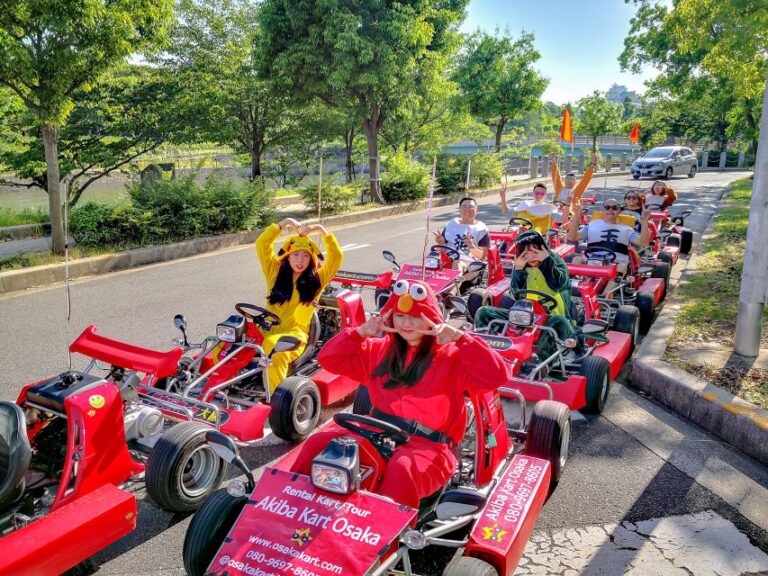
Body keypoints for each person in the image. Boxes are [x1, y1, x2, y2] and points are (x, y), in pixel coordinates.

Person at [283, 280, 511, 508]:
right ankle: (288, 511)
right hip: (377, 434)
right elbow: (328, 360)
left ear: (432, 318)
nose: (407, 324)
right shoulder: (377, 351)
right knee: (319, 443)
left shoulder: (451, 356)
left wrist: (461, 339)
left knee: (401, 469)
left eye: (416, 316)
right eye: (400, 316)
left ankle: (385, 538)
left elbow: (499, 376)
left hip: (430, 446)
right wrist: (360, 333)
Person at [255, 217, 343, 391]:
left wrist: (319, 229)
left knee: (274, 346)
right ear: (287, 257)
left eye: (305, 256)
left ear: (311, 259)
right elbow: (262, 244)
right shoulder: (274, 272)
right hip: (266, 328)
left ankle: (274, 398)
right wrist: (286, 223)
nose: (300, 260)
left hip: (295, 335)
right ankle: (206, 385)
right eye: (295, 254)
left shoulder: (317, 280)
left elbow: (336, 256)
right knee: (229, 336)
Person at [474, 230, 575, 360]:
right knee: (483, 312)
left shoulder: (556, 263)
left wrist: (546, 261)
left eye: (535, 252)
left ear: (544, 250)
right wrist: (519, 270)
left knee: (560, 323)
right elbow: (514, 294)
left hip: (552, 314)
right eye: (526, 253)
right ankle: (485, 349)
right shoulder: (521, 267)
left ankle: (543, 359)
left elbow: (558, 285)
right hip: (524, 316)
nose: (531, 257)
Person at [568, 197, 650, 292]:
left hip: (614, 264)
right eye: (607, 207)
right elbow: (572, 237)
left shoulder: (627, 229)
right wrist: (577, 214)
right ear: (603, 210)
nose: (611, 210)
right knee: (576, 259)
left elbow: (643, 243)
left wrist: (644, 222)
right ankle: (570, 289)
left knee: (622, 266)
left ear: (619, 211)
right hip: (590, 261)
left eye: (614, 207)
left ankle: (605, 296)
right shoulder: (592, 225)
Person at [434, 196, 489, 285]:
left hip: (470, 264)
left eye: (471, 207)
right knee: (431, 259)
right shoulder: (452, 224)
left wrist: (471, 246)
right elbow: (444, 247)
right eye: (464, 207)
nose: (467, 209)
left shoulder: (481, 229)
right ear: (459, 210)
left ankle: (451, 294)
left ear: (476, 210)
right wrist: (441, 242)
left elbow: (483, 257)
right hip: (448, 259)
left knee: (457, 262)